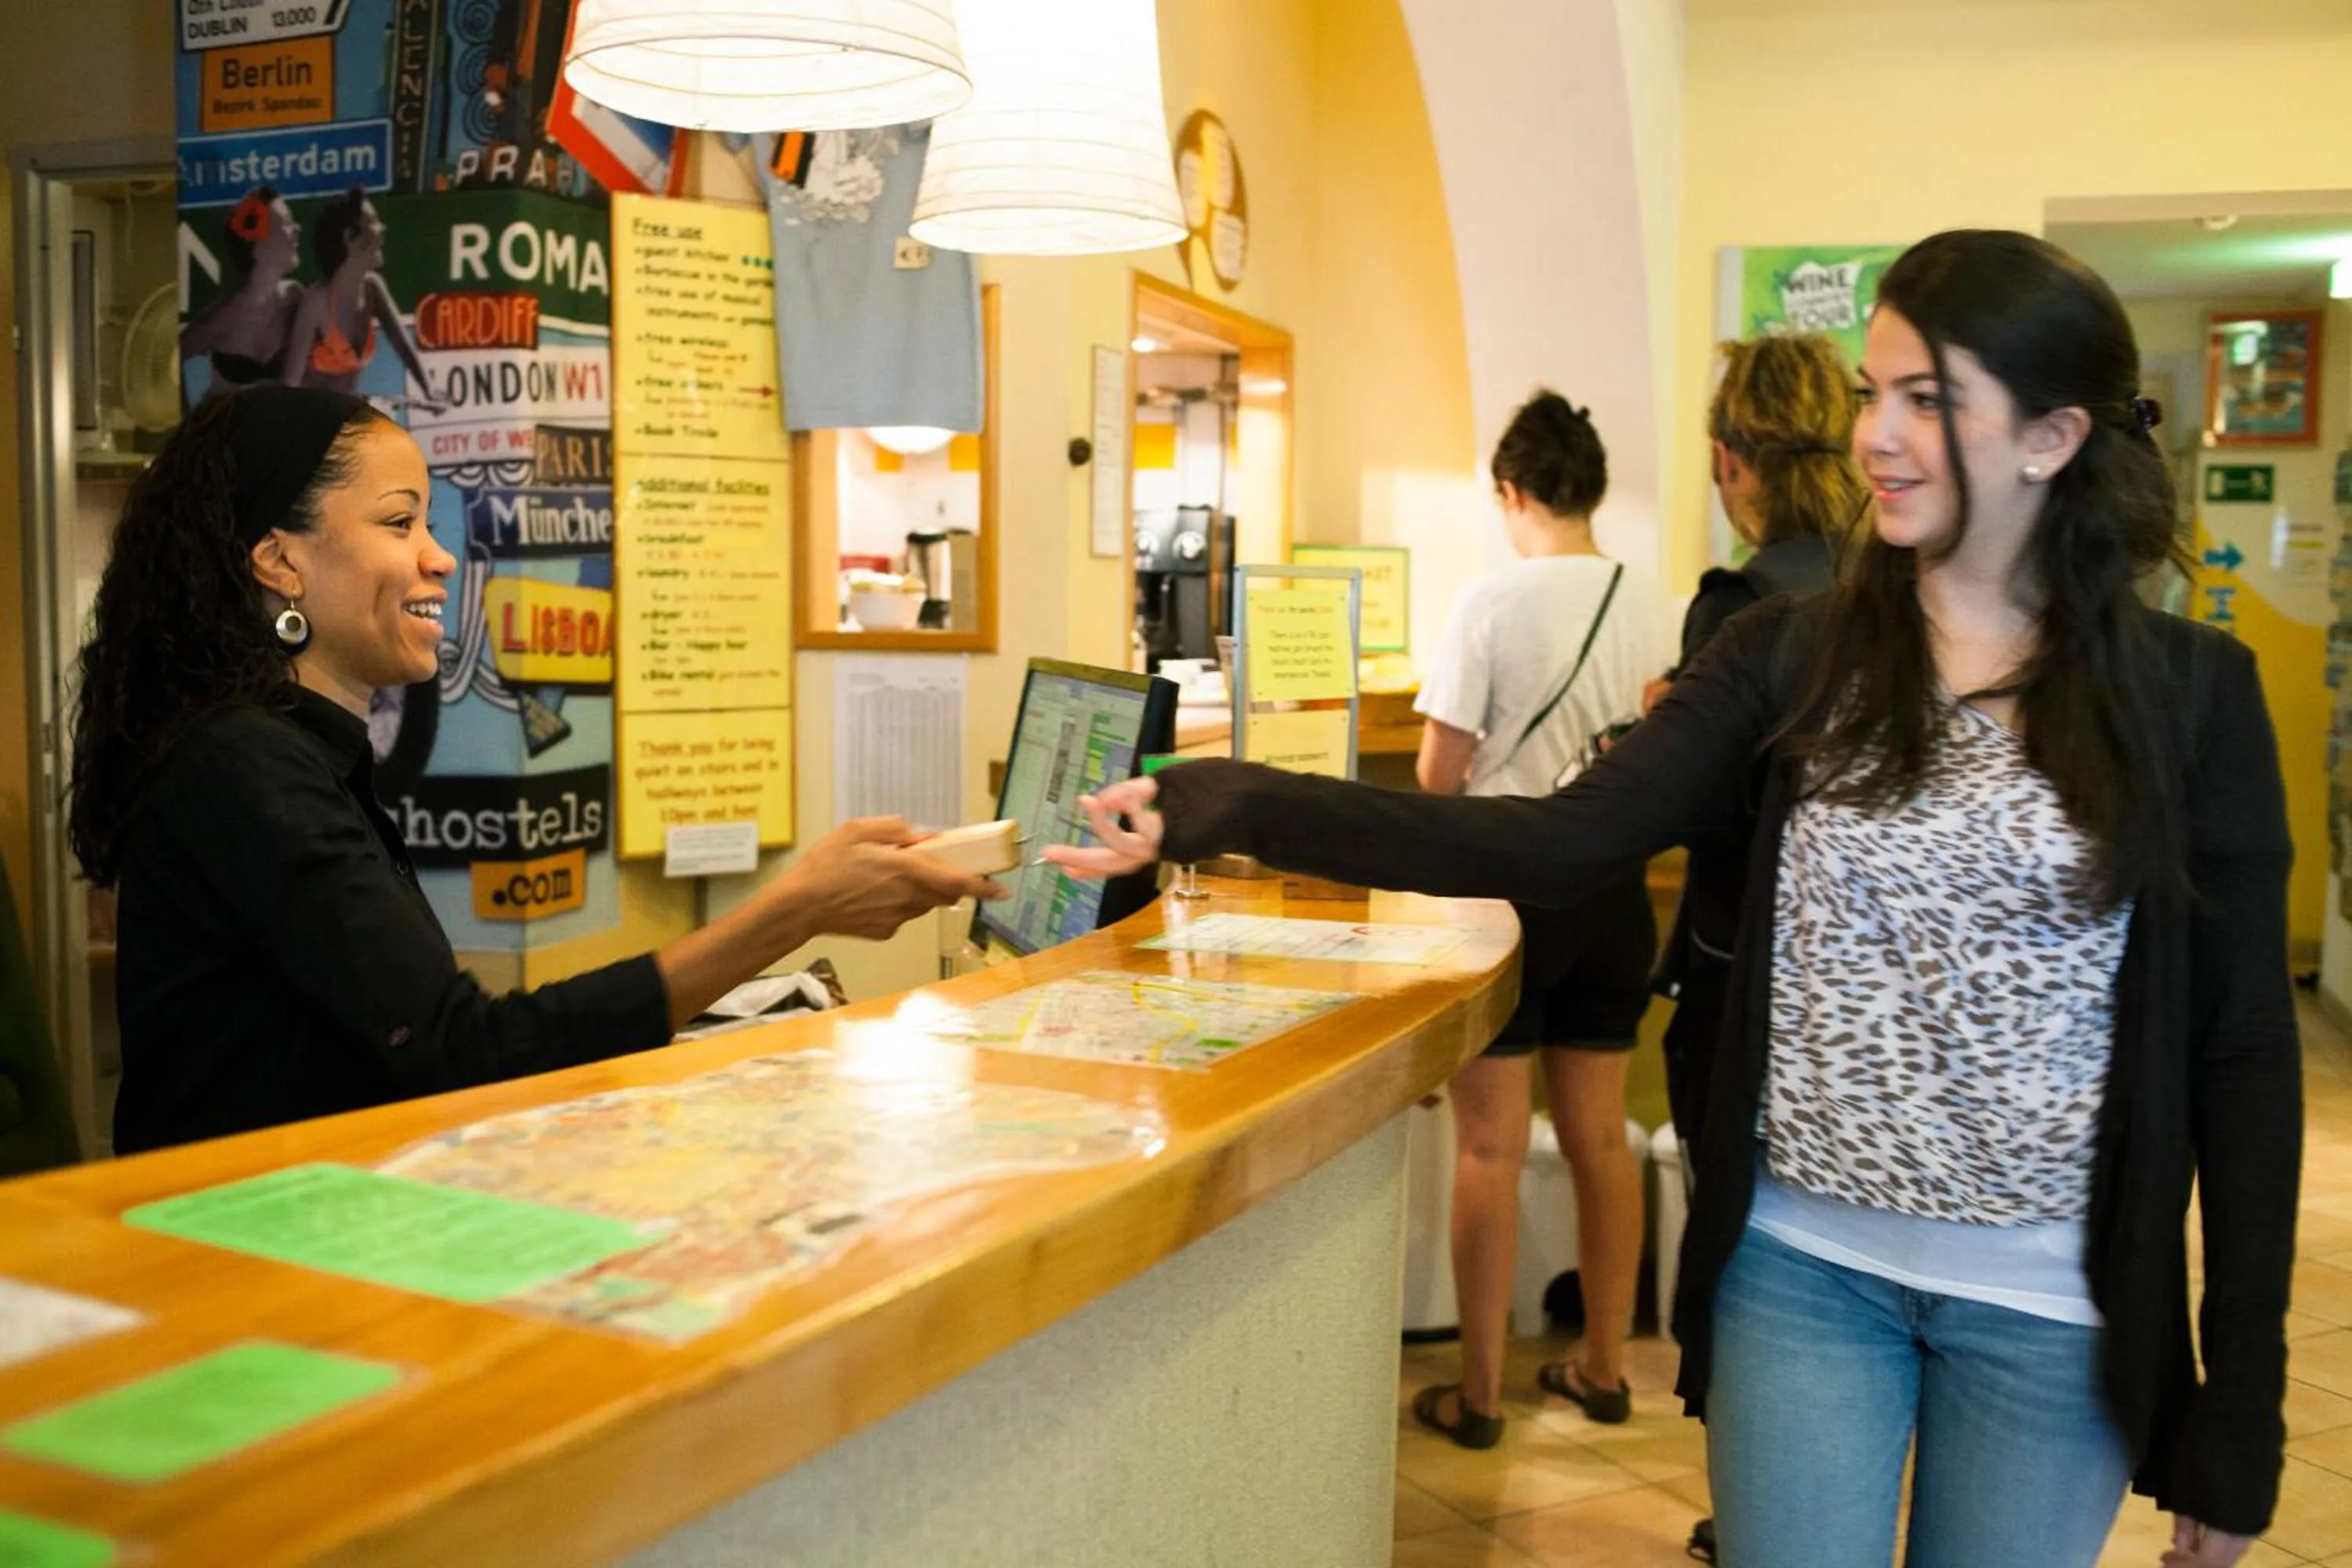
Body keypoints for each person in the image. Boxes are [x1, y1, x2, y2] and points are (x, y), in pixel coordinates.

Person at [1048, 230, 2297, 1567]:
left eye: (1928, 400)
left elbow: (2240, 1058)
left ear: (2051, 438)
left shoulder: (2188, 699)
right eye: (1873, 392)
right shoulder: (1796, 656)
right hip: (1805, 1276)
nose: (1877, 434)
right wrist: (1226, 803)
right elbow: (1553, 842)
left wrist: (2240, 1419)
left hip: (2055, 1309)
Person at [70, 386, 999, 1154]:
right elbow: (455, 1049)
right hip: (242, 1267)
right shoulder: (241, 768)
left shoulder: (292, 751)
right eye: (400, 522)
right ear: (279, 559)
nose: (438, 556)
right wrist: (794, 911)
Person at [1408, 391, 1666, 1447]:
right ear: (1592, 490)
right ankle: (1603, 1370)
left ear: (1513, 492)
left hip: (1506, 897)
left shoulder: (1490, 603)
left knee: (1490, 1149)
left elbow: (1439, 772)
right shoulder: (1656, 602)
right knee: (1603, 1138)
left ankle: (1476, 1395)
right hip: (1611, 892)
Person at [1651, 331, 1867, 1563]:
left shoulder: (1738, 606)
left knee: (1741, 1257)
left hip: (1741, 984)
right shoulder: (1894, 584)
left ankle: (1764, 1508)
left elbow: (1700, 805)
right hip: (1858, 1004)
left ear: (1733, 463)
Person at [286, 188, 440, 408]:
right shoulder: (316, 301)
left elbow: (405, 348)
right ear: (349, 238)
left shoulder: (373, 288)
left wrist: (429, 390)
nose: (382, 229)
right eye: (375, 223)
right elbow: (289, 385)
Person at [178, 187, 304, 401]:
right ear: (257, 248)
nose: (297, 229)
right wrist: (187, 417)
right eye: (287, 224)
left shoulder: (295, 298)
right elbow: (169, 360)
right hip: (225, 431)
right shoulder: (226, 314)